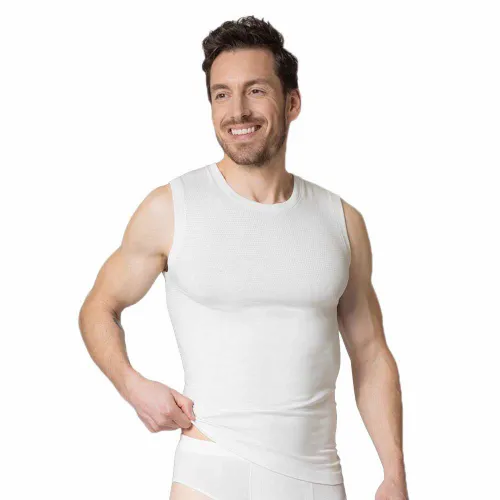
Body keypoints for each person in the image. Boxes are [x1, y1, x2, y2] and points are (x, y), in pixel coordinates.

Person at [79, 15, 409, 500]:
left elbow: (370, 352)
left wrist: (393, 473)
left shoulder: (341, 220)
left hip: (318, 477)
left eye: (255, 91)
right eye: (221, 94)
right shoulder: (171, 208)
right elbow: (99, 307)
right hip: (210, 469)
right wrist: (131, 385)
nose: (237, 111)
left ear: (291, 102)